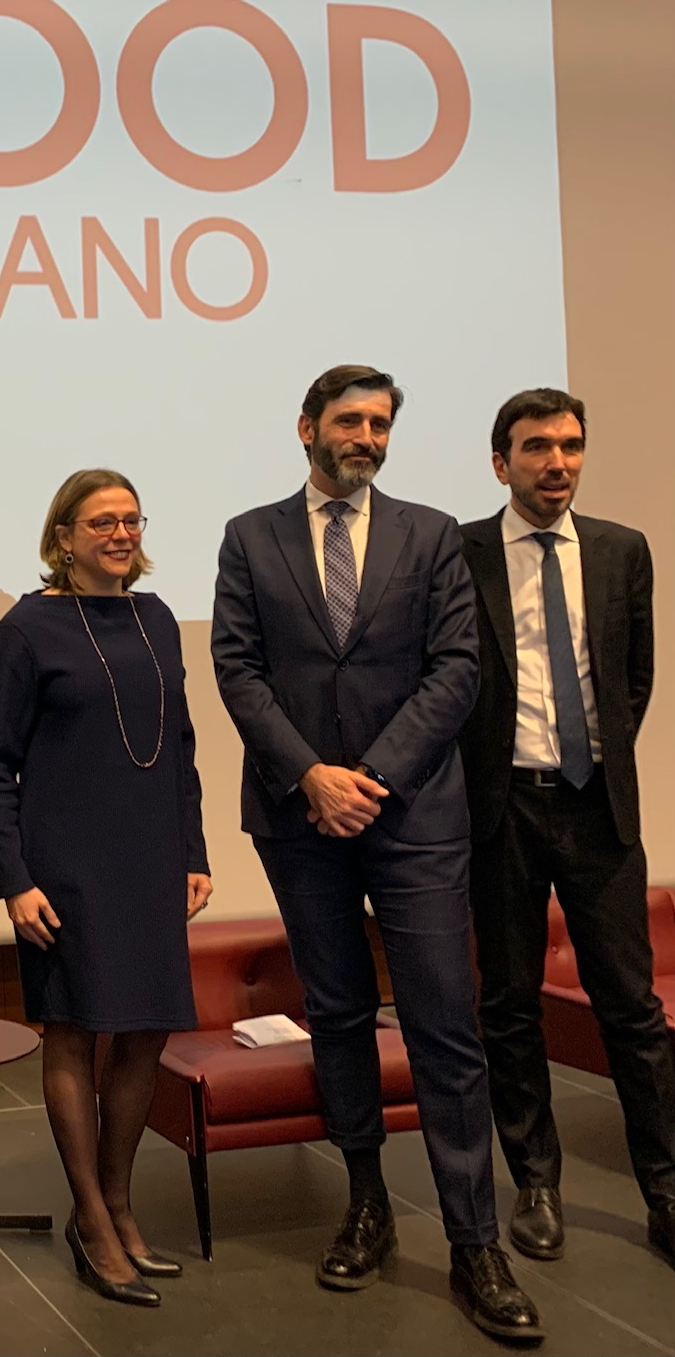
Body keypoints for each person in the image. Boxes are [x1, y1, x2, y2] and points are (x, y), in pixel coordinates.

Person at [209, 367, 543, 1344]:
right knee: (341, 1013)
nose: (367, 437)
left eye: (381, 424)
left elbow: (457, 671)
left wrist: (373, 778)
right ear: (307, 427)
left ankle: (477, 1241)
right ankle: (366, 1203)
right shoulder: (248, 535)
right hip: (297, 815)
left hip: (413, 818)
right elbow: (236, 667)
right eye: (350, 421)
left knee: (443, 1024)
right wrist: (314, 776)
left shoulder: (432, 534)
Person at [0, 470, 212, 1308]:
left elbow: (179, 748)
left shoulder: (155, 619)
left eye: (130, 519)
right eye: (101, 521)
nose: (120, 533)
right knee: (73, 1036)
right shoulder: (26, 626)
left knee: (147, 1032)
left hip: (150, 859)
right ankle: (89, 1215)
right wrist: (14, 880)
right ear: (65, 536)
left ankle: (118, 1200)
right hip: (63, 869)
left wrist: (194, 851)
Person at [458, 388, 675, 1267]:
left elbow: (633, 680)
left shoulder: (624, 550)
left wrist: (593, 760)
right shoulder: (460, 553)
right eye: (537, 446)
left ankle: (665, 1191)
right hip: (501, 806)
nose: (558, 462)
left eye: (572, 446)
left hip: (598, 808)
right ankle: (538, 1183)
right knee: (509, 1007)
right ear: (500, 460)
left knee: (632, 1008)